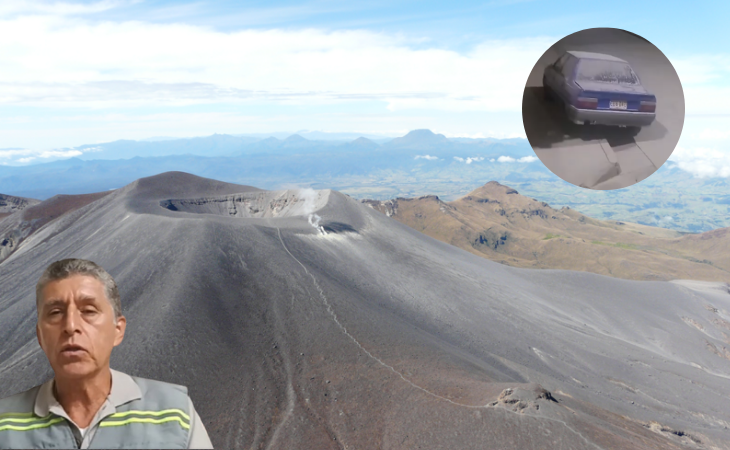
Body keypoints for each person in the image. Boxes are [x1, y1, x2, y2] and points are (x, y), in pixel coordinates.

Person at [0, 258, 214, 449]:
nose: (71, 325)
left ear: (117, 330)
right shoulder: (4, 423)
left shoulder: (175, 414)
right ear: (40, 335)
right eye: (55, 313)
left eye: (89, 311)